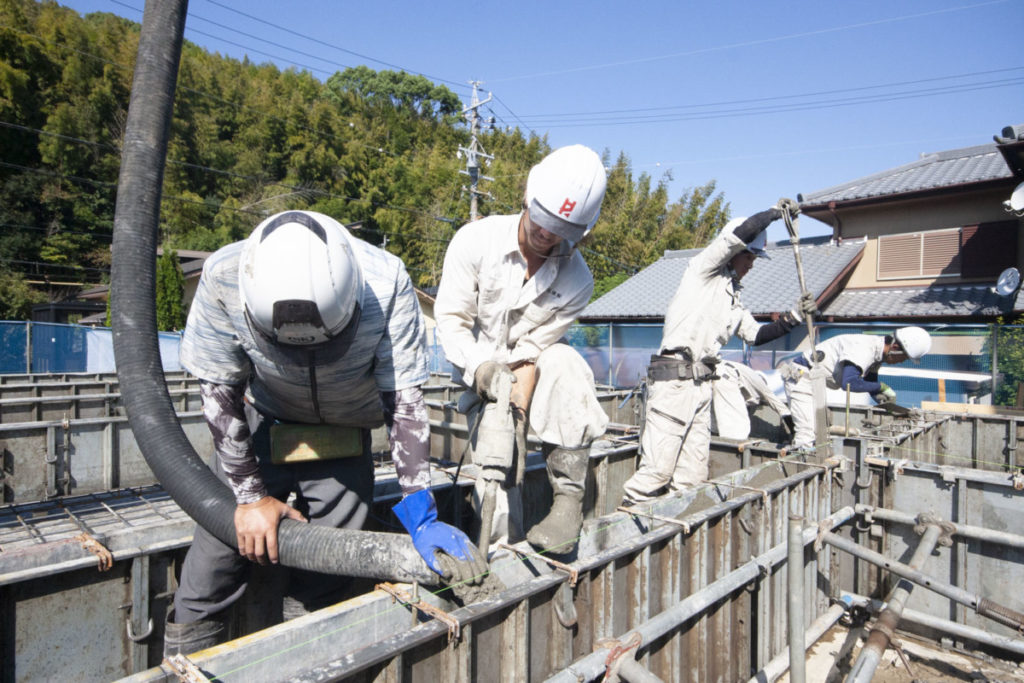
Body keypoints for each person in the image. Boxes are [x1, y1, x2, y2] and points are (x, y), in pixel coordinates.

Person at [167, 210, 486, 655]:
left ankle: (308, 660)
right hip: (263, 429)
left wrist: (421, 509)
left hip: (342, 432)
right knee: (210, 573)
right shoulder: (224, 276)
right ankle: (183, 660)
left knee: (329, 574)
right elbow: (219, 392)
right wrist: (249, 498)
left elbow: (405, 404)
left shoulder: (386, 281)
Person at [434, 144, 610, 555]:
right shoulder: (475, 242)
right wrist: (484, 373)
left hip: (533, 370)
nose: (547, 235)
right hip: (478, 374)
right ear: (527, 198)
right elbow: (452, 321)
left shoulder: (578, 281)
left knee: (566, 360)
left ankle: (569, 500)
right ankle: (499, 554)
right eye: (543, 221)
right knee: (495, 472)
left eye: (560, 230)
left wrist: (521, 400)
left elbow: (537, 347)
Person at [621, 201, 816, 504]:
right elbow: (740, 233)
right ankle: (625, 530)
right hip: (674, 382)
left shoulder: (733, 298)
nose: (751, 264)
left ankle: (669, 540)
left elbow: (757, 335)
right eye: (749, 256)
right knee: (656, 472)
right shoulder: (703, 271)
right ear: (734, 253)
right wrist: (773, 214)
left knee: (691, 478)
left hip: (701, 387)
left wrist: (794, 316)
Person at [779, 327, 932, 450]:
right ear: (895, 347)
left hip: (814, 381)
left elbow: (868, 381)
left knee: (818, 429)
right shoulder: (864, 349)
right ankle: (801, 469)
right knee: (807, 435)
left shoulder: (877, 355)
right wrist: (881, 387)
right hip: (800, 378)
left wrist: (882, 399)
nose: (901, 362)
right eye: (903, 357)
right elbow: (849, 383)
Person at [711, 359, 792, 440]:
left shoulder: (746, 373)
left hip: (711, 372)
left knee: (712, 417)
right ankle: (731, 448)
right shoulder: (761, 384)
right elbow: (779, 405)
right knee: (736, 426)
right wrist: (793, 428)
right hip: (726, 377)